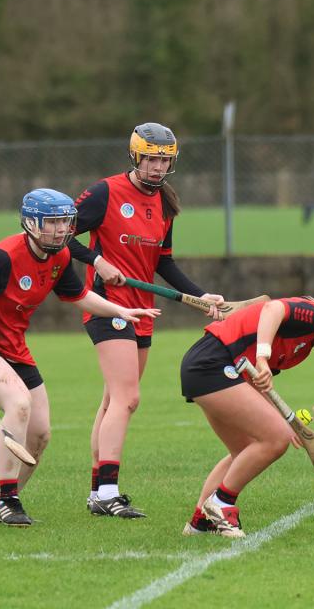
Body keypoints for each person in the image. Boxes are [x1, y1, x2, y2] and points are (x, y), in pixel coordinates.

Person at [0, 189, 160, 527]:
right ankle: (8, 500)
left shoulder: (60, 257)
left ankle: (0, 505)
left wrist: (122, 309)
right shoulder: (3, 257)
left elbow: (79, 296)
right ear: (32, 223)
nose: (62, 229)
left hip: (14, 347)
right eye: (54, 222)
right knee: (18, 405)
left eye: (66, 221)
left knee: (40, 434)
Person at [69, 122, 224, 518]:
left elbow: (164, 263)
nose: (157, 168)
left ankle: (96, 490)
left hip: (142, 310)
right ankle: (107, 491)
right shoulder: (105, 193)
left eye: (164, 161)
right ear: (135, 157)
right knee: (127, 397)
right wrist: (97, 261)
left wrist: (199, 296)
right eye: (151, 159)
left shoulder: (166, 205)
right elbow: (60, 234)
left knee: (113, 401)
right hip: (108, 306)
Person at [180, 292, 314, 537]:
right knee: (276, 439)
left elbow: (256, 383)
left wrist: (283, 419)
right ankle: (221, 503)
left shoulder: (303, 347)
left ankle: (201, 522)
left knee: (245, 448)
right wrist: (263, 356)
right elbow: (272, 309)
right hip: (213, 364)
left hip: (212, 367)